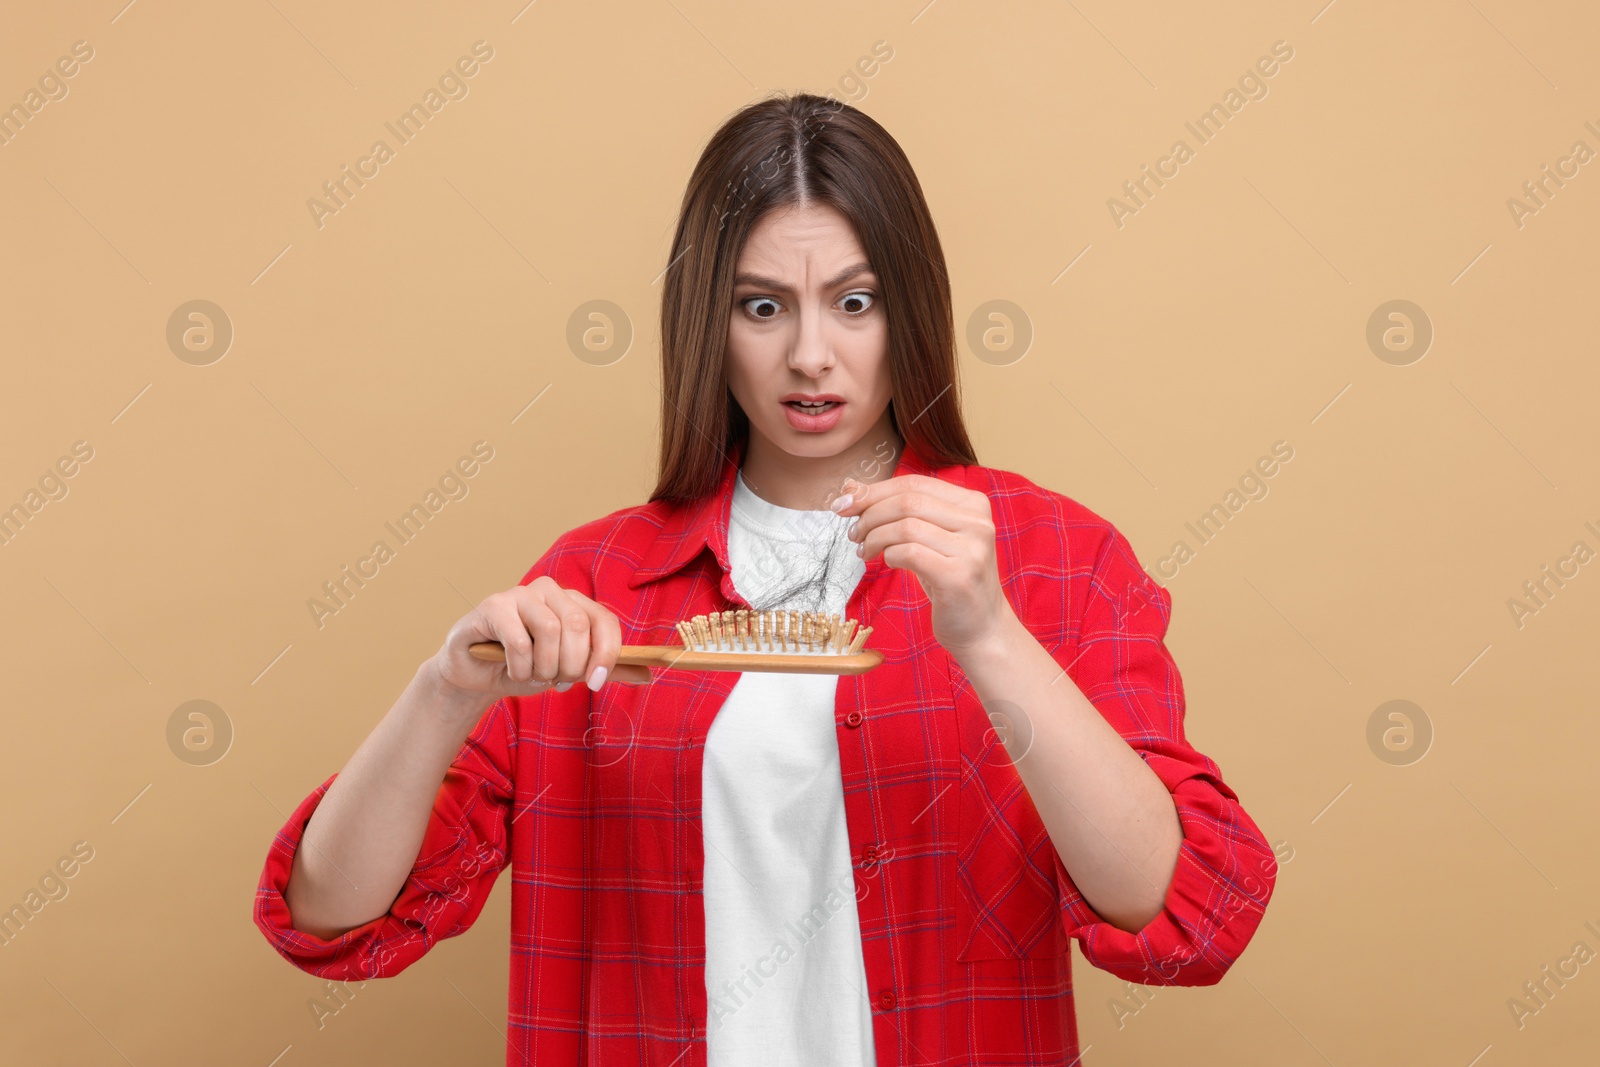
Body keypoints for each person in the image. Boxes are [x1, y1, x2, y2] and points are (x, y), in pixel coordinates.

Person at [254, 91, 1276, 1065]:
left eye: (854, 301)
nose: (809, 354)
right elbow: (332, 918)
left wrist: (990, 635)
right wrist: (443, 690)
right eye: (761, 305)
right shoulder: (591, 584)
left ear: (909, 310)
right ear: (709, 323)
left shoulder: (1054, 558)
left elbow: (1189, 915)